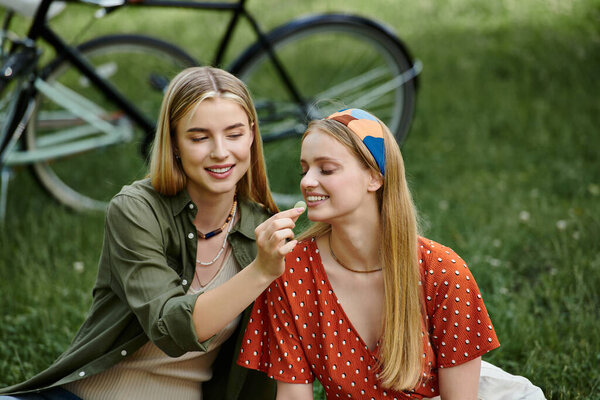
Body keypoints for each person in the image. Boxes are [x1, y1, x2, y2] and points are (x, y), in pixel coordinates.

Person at [0, 66, 304, 400]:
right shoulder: (136, 210)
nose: (220, 151)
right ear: (174, 142)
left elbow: (288, 355)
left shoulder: (263, 228)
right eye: (199, 137)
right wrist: (259, 272)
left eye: (234, 134)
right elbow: (170, 327)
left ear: (251, 134)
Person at [238, 109, 545, 399]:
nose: (306, 182)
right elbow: (293, 394)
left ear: (375, 177)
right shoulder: (291, 271)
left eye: (326, 169)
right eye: (304, 169)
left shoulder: (442, 270)